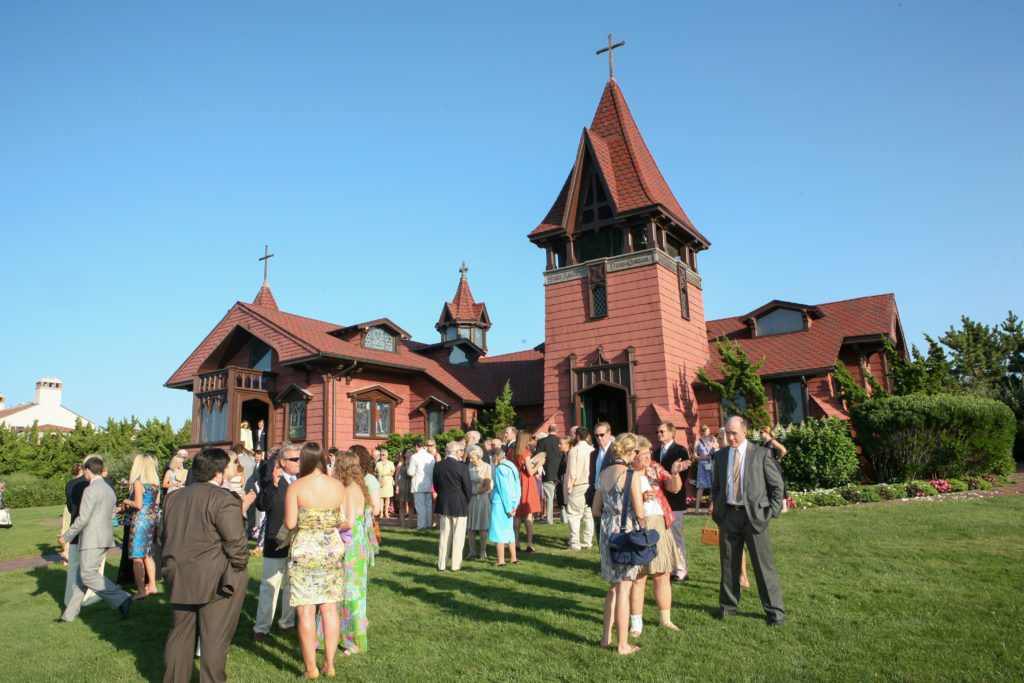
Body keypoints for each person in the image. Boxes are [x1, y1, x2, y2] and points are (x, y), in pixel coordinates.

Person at [161, 448, 255, 682]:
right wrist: (239, 567)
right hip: (215, 579)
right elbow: (236, 543)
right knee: (214, 639)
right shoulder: (224, 499)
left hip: (179, 573)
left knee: (179, 635)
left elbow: (164, 535)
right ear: (220, 473)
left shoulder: (173, 497)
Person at [711, 416, 786, 626]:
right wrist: (719, 511)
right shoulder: (721, 456)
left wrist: (770, 512)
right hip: (729, 516)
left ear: (745, 431)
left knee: (763, 566)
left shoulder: (761, 454)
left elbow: (777, 486)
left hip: (755, 517)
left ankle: (775, 613)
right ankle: (728, 608)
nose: (730, 437)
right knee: (728, 565)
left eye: (734, 433)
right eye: (727, 432)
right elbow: (715, 486)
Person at [284, 442, 345, 678]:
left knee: (305, 610)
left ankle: (311, 668)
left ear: (305, 461)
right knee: (330, 608)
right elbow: (343, 519)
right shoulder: (337, 485)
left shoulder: (297, 487)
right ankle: (330, 664)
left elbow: (290, 523)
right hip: (331, 547)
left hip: (306, 548)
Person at [57, 456, 132, 623]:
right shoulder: (109, 489)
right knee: (80, 578)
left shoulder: (91, 490)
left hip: (92, 539)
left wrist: (66, 536)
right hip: (104, 537)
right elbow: (112, 514)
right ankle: (68, 616)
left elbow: (83, 519)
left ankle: (122, 598)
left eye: (84, 470)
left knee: (88, 575)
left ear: (88, 471)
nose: (84, 473)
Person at [591, 433, 645, 656]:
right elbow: (640, 512)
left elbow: (595, 509)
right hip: (624, 532)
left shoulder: (604, 474)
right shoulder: (630, 475)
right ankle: (623, 645)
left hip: (606, 530)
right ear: (631, 452)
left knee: (613, 587)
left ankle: (606, 637)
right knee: (624, 587)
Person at [629, 436, 687, 635]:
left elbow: (673, 487)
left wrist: (675, 473)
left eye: (648, 453)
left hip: (659, 523)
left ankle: (665, 620)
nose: (647, 457)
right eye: (643, 453)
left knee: (662, 574)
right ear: (633, 454)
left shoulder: (654, 467)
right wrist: (640, 497)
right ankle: (636, 624)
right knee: (639, 576)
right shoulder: (627, 472)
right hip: (637, 525)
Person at [253, 444, 300, 642]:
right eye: (294, 459)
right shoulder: (271, 479)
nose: (299, 463)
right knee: (269, 585)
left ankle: (287, 622)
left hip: (298, 540)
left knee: (292, 584)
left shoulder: (302, 481)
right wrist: (273, 483)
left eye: (300, 459)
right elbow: (262, 504)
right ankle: (262, 628)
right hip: (276, 538)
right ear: (282, 462)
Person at [332, 451, 377, 655]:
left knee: (350, 593)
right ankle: (353, 631)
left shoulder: (349, 490)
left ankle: (355, 641)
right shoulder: (359, 487)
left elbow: (348, 522)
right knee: (355, 591)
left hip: (350, 546)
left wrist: (327, 524)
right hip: (358, 545)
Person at [653, 422, 692, 584]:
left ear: (671, 433)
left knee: (675, 535)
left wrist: (669, 480)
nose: (659, 434)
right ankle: (669, 567)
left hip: (674, 500)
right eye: (657, 431)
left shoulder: (680, 450)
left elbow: (681, 476)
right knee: (663, 537)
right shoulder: (655, 453)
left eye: (662, 431)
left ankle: (681, 570)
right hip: (659, 501)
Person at [122, 453, 161, 600]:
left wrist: (126, 501)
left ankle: (140, 591)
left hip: (141, 521)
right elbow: (156, 503)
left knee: (137, 556)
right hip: (152, 520)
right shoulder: (154, 485)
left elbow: (138, 504)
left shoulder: (139, 482)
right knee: (148, 555)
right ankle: (152, 586)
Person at [433, 441, 473, 571]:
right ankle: (455, 565)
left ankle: (441, 564)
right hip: (459, 503)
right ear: (455, 452)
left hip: (444, 502)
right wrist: (466, 501)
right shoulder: (462, 467)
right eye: (461, 451)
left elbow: (436, 485)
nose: (462, 453)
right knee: (458, 536)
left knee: (444, 535)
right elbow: (468, 488)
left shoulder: (438, 466)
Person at [488, 445, 521, 567]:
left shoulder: (500, 469)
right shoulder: (512, 466)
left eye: (492, 459)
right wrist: (514, 505)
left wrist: (508, 508)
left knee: (499, 532)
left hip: (501, 504)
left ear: (496, 457)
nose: (492, 461)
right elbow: (518, 486)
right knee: (509, 531)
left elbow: (503, 490)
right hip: (512, 503)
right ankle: (513, 558)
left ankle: (501, 560)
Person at [511, 430, 542, 553]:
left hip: (516, 481)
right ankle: (529, 544)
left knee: (517, 514)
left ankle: (516, 542)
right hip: (527, 482)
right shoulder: (526, 452)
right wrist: (540, 463)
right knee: (529, 514)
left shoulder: (511, 451)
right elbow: (530, 472)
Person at [564, 427, 595, 551]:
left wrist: (569, 486)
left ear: (577, 436)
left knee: (574, 514)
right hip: (589, 484)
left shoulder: (574, 450)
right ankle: (587, 541)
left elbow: (572, 471)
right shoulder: (592, 449)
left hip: (578, 484)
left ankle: (575, 542)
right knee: (588, 514)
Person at [587, 422, 616, 543]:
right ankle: (602, 561)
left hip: (610, 497)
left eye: (602, 435)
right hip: (595, 495)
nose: (599, 438)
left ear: (609, 434)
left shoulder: (615, 451)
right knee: (599, 532)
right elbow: (592, 475)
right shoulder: (593, 454)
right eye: (596, 435)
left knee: (610, 533)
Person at [465, 444, 492, 560]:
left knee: (482, 527)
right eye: (469, 457)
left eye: (472, 457)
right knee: (470, 527)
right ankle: (471, 551)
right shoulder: (468, 466)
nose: (470, 459)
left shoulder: (486, 466)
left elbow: (487, 485)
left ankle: (483, 552)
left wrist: (477, 492)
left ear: (478, 456)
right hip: (471, 500)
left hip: (482, 499)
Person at [536, 424, 563, 524]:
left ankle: (549, 520)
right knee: (562, 496)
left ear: (548, 430)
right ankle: (564, 518)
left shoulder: (542, 442)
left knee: (549, 497)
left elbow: (537, 456)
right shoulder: (561, 442)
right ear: (557, 430)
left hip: (548, 472)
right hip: (560, 472)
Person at [407, 439, 435, 530]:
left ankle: (421, 525)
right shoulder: (431, 457)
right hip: (429, 483)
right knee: (428, 505)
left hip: (418, 484)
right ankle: (428, 524)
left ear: (416, 447)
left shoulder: (414, 457)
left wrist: (408, 469)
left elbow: (410, 472)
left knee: (420, 506)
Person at [352, 445, 382, 519]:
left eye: (349, 457)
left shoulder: (370, 479)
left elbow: (376, 510)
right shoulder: (346, 478)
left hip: (361, 524)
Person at [693, 426, 717, 514]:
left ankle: (710, 508)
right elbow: (694, 455)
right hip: (702, 465)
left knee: (712, 486)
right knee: (701, 487)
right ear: (702, 432)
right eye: (707, 431)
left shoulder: (712, 440)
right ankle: (696, 508)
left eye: (709, 431)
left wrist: (715, 445)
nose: (708, 433)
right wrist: (703, 457)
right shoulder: (697, 442)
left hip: (711, 464)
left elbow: (717, 449)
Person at [375, 449, 396, 519]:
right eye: (380, 455)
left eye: (383, 455)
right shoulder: (378, 463)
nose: (382, 456)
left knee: (387, 497)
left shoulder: (390, 463)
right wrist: (377, 473)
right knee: (380, 497)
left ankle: (386, 512)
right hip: (380, 481)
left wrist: (386, 474)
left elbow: (393, 472)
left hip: (388, 481)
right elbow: (375, 472)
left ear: (387, 456)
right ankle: (381, 512)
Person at [395, 449, 413, 528]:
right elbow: (396, 476)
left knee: (411, 504)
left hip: (411, 483)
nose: (410, 453)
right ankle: (402, 524)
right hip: (402, 483)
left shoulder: (413, 462)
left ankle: (410, 524)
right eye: (408, 452)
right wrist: (397, 487)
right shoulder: (400, 463)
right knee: (402, 504)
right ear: (404, 454)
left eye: (411, 452)